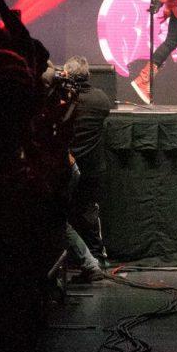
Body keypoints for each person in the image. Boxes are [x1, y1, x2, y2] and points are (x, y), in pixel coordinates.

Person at [62, 55, 111, 268]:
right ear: (88, 75)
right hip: (92, 167)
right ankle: (97, 257)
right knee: (90, 212)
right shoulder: (101, 99)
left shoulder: (64, 101)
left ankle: (74, 260)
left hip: (66, 166)